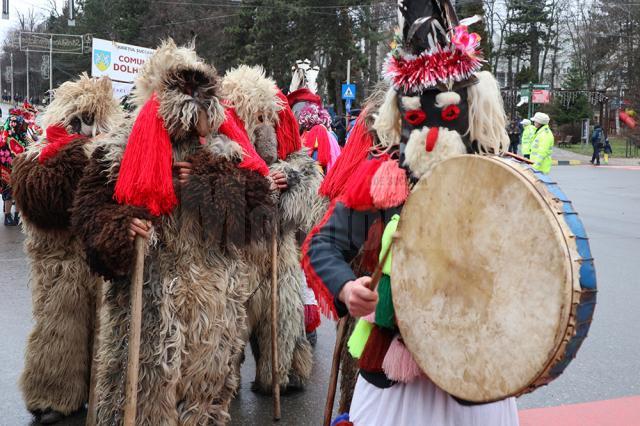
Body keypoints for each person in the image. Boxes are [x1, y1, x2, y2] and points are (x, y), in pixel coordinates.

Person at [302, 2, 518, 425]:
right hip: (391, 368)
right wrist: (347, 289)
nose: (432, 135)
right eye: (417, 117)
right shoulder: (382, 178)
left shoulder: (499, 181)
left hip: (475, 372)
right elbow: (323, 244)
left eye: (447, 116)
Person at [71, 40, 275, 424]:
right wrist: (119, 225)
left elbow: (260, 214)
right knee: (144, 396)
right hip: (148, 299)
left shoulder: (227, 149)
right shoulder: (119, 149)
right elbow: (88, 214)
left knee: (205, 398)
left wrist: (209, 182)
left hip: (213, 306)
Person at [11, 74, 123, 424]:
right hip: (59, 260)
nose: (89, 129)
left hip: (99, 256)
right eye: (82, 121)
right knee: (60, 323)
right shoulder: (41, 154)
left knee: (108, 329)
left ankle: (104, 393)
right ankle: (53, 393)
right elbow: (41, 200)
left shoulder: (112, 151)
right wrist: (83, 153)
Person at [220, 64, 325, 393]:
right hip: (235, 263)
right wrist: (257, 187)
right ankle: (224, 381)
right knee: (226, 339)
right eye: (257, 119)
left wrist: (289, 181)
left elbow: (310, 199)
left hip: (280, 261)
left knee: (281, 329)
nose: (266, 128)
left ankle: (279, 372)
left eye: (270, 118)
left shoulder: (293, 154)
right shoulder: (221, 155)